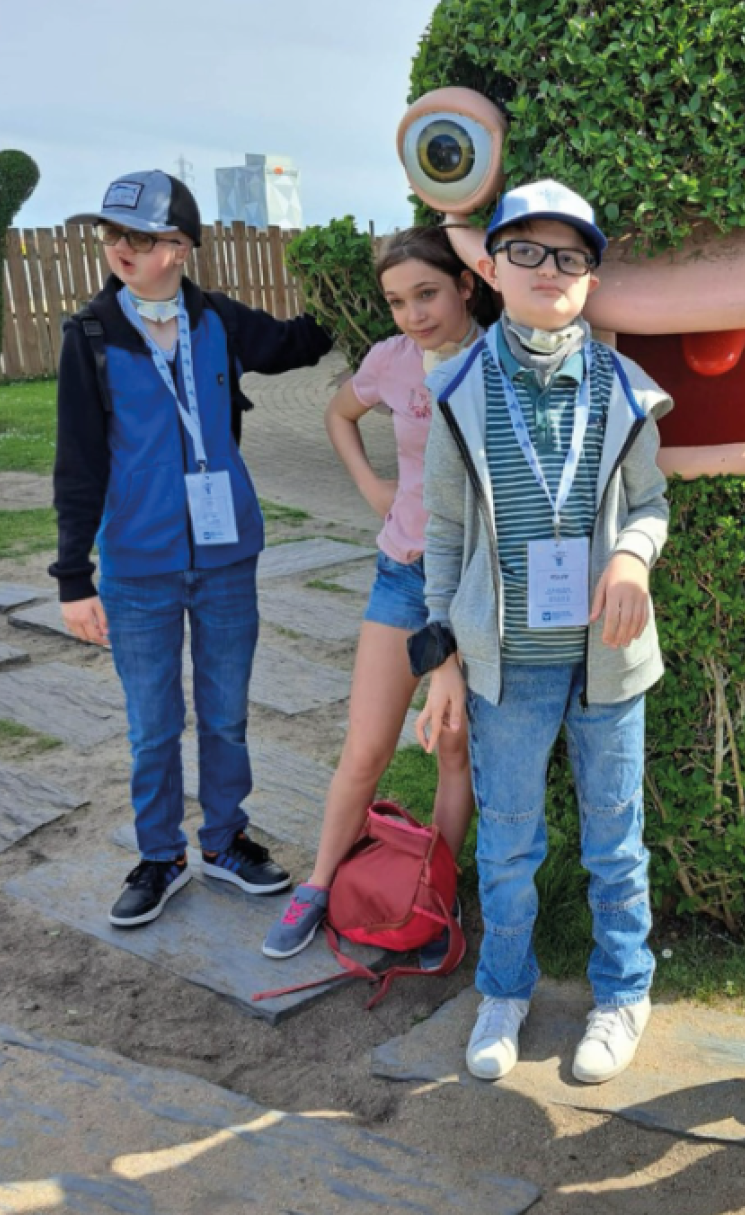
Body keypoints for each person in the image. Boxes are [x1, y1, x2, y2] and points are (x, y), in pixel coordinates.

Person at [410, 179, 671, 1085]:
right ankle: (505, 990)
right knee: (511, 838)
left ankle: (623, 992)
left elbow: (651, 503)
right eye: (528, 251)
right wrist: (441, 659)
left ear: (591, 279)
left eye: (571, 256)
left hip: (608, 662)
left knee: (614, 836)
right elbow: (442, 534)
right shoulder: (456, 391)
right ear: (490, 268)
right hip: (504, 665)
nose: (549, 270)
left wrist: (634, 557)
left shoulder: (626, 389)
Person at [51, 171, 332, 927]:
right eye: (110, 235)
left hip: (226, 557)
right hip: (136, 568)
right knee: (151, 723)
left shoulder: (217, 320)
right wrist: (74, 578)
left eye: (136, 237)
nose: (117, 248)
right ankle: (160, 855)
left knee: (225, 713)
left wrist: (360, 306)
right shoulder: (90, 337)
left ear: (177, 247)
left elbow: (293, 344)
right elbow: (78, 463)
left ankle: (225, 841)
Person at [262, 226, 493, 960]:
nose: (414, 314)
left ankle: (434, 892)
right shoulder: (391, 362)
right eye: (397, 302)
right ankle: (321, 885)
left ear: (465, 284)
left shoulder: (505, 362)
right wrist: (373, 488)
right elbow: (340, 414)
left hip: (478, 590)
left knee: (453, 751)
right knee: (364, 750)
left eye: (427, 293)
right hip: (403, 574)